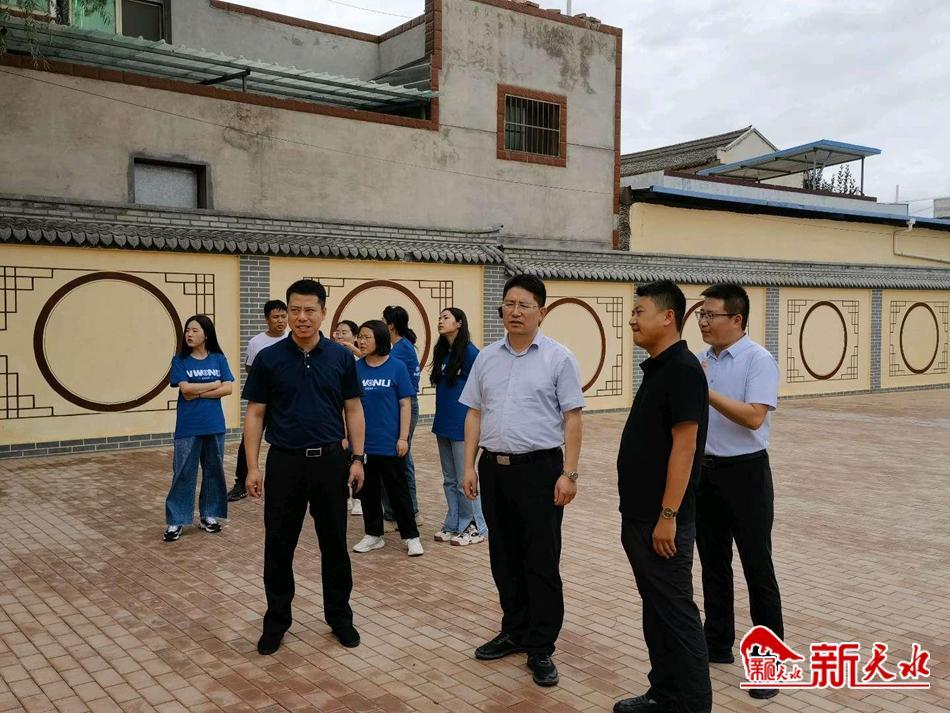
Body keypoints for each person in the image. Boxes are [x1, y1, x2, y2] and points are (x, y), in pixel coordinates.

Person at [460, 274, 584, 688]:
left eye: (524, 305)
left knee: (541, 559)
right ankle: (513, 630)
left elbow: (573, 418)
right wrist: (468, 466)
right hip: (495, 469)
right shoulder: (486, 358)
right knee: (504, 555)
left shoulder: (559, 358)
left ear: (541, 312)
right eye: (509, 304)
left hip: (540, 471)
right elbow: (474, 411)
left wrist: (569, 473)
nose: (514, 312)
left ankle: (541, 646)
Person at [242, 279, 366, 655]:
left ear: (323, 313)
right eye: (295, 310)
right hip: (285, 462)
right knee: (279, 545)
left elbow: (353, 408)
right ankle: (276, 621)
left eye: (310, 310)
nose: (302, 317)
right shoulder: (269, 359)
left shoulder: (341, 358)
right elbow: (256, 413)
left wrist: (358, 458)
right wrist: (252, 467)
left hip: (330, 462)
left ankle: (339, 617)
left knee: (335, 545)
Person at [614, 280, 711, 713]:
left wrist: (668, 515)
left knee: (676, 612)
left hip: (662, 521)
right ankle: (664, 693)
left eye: (640, 312)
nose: (632, 320)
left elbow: (685, 448)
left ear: (668, 317)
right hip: (640, 515)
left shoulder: (683, 370)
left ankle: (693, 704)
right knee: (656, 609)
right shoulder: (659, 366)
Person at [695, 283, 783, 701]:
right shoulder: (701, 360)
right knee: (713, 564)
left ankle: (769, 664)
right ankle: (717, 642)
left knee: (757, 568)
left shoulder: (758, 360)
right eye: (701, 314)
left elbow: (753, 417)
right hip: (705, 473)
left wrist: (706, 392)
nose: (703, 322)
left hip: (746, 474)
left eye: (710, 315)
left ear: (737, 319)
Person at [351, 320, 424, 557]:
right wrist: (346, 437)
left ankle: (411, 537)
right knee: (367, 491)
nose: (361, 341)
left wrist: (403, 438)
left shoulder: (396, 367)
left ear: (380, 339)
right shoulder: (356, 368)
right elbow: (348, 406)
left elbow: (405, 404)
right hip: (363, 444)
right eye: (360, 337)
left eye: (366, 337)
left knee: (398, 491)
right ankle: (373, 535)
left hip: (390, 442)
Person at [164, 315, 234, 542]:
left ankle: (209, 515)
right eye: (187, 330)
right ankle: (176, 520)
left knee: (214, 471)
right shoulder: (180, 360)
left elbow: (228, 388)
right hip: (188, 426)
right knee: (183, 472)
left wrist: (199, 392)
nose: (189, 334)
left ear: (206, 334)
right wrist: (213, 384)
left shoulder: (218, 358)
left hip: (214, 425)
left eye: (195, 330)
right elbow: (185, 390)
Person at [431, 307, 487, 546]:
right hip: (443, 422)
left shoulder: (471, 353)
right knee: (449, 479)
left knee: (465, 477)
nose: (440, 321)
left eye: (446, 317)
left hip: (463, 424)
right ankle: (454, 522)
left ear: (459, 323)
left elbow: (483, 389)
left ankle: (474, 525)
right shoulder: (443, 352)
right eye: (439, 317)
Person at [229, 300, 288, 502]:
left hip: (286, 402)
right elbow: (250, 368)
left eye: (283, 316)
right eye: (275, 317)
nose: (280, 321)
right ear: (266, 319)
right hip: (264, 401)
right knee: (248, 440)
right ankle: (241, 482)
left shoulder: (292, 338)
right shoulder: (257, 342)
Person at [382, 305, 421, 525]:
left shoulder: (401, 348)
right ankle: (396, 512)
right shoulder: (401, 346)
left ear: (391, 325)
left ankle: (410, 512)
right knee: (395, 457)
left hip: (405, 405)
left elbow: (382, 363)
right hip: (395, 404)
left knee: (401, 456)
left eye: (383, 321)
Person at [333, 318, 364, 516]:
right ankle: (345, 496)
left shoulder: (359, 362)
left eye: (344, 332)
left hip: (356, 418)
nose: (340, 336)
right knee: (342, 460)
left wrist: (353, 350)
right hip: (339, 420)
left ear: (354, 337)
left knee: (357, 458)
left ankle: (358, 498)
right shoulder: (332, 359)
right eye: (337, 332)